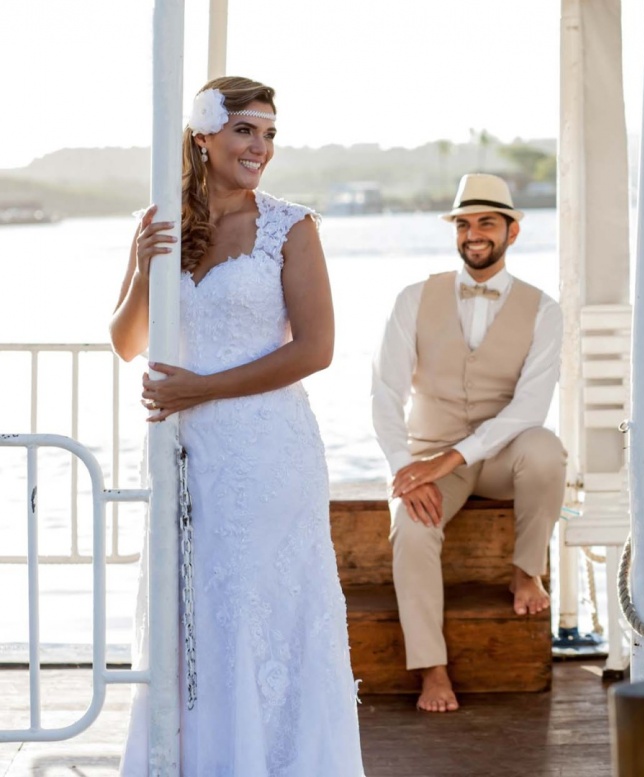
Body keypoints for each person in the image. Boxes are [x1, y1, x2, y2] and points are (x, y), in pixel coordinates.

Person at [109, 77, 364, 775]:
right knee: (190, 615)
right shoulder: (164, 222)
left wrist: (203, 387)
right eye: (247, 129)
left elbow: (315, 349)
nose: (261, 147)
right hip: (186, 456)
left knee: (261, 612)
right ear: (204, 135)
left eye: (270, 133)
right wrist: (140, 269)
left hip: (267, 454)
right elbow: (127, 341)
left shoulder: (292, 227)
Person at [372, 173, 566, 713]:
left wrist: (452, 459)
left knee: (546, 447)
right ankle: (432, 669)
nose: (473, 233)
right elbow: (384, 392)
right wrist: (404, 467)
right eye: (464, 223)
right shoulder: (414, 298)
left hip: (501, 456)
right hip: (430, 451)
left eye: (486, 222)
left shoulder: (544, 310)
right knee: (410, 530)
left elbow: (530, 407)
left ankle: (526, 572)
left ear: (512, 231)